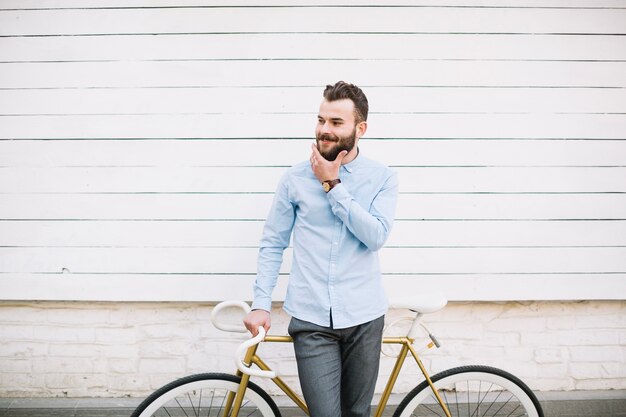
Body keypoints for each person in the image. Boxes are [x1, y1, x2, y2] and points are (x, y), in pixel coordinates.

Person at [243, 81, 398, 417]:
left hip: (364, 316)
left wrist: (332, 185)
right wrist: (261, 304)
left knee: (356, 415)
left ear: (361, 128)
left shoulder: (382, 177)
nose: (324, 130)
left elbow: (375, 236)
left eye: (336, 123)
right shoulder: (294, 178)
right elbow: (273, 243)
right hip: (312, 318)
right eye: (321, 120)